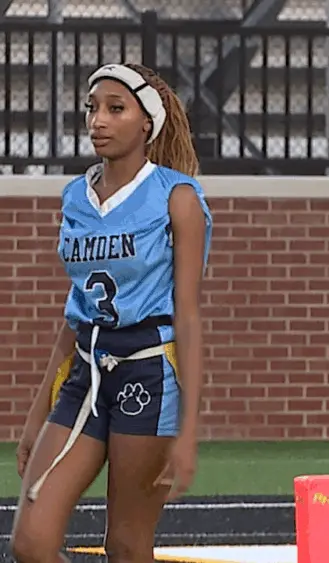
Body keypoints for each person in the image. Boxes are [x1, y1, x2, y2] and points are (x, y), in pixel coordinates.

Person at [10, 62, 212, 563]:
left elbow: (187, 316)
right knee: (30, 543)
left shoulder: (177, 196)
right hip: (86, 371)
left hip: (150, 373)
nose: (97, 120)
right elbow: (74, 313)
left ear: (147, 122)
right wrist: (36, 417)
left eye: (114, 109)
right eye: (92, 108)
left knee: (126, 545)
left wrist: (189, 432)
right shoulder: (75, 196)